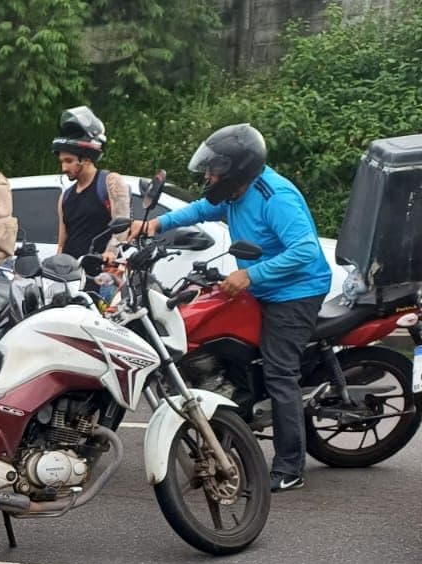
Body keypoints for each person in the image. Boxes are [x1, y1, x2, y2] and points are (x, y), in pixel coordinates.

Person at [129, 123, 331, 492]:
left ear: (238, 169)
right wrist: (156, 223)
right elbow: (202, 209)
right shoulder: (236, 193)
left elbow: (305, 251)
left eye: (214, 170)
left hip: (295, 292)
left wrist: (250, 276)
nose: (208, 176)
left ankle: (290, 467)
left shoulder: (275, 196)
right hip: (264, 287)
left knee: (279, 373)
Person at [51, 106, 130, 270]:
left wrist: (110, 253)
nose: (64, 168)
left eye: (69, 161)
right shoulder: (65, 197)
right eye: (62, 162)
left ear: (86, 159)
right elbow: (62, 243)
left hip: (101, 273)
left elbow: (122, 227)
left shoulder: (110, 182)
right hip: (72, 277)